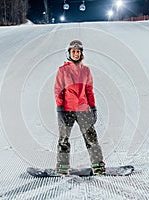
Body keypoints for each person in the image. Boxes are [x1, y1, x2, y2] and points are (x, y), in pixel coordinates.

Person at [54, 40, 105, 175]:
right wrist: (60, 110)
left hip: (83, 109)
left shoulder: (86, 70)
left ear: (81, 53)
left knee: (91, 138)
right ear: (69, 53)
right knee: (63, 139)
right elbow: (58, 90)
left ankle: (97, 165)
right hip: (67, 110)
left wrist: (93, 108)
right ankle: (62, 166)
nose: (76, 54)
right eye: (73, 51)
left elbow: (89, 91)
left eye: (78, 51)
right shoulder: (62, 70)